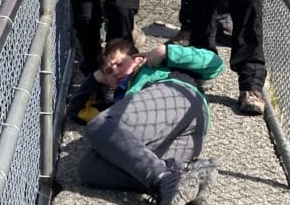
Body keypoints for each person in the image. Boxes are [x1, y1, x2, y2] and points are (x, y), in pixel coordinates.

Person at [68, 38, 223, 205]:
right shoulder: (119, 102)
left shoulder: (154, 67)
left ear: (138, 58)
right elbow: (77, 112)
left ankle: (163, 178)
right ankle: (189, 173)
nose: (115, 72)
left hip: (177, 98)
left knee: (100, 124)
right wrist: (95, 77)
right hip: (181, 145)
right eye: (108, 72)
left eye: (119, 64)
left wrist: (167, 52)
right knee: (90, 167)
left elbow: (215, 64)